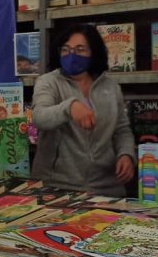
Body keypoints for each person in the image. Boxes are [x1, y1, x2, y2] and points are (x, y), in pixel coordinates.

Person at [31, 24, 136, 197]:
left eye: (80, 49)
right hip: (57, 188)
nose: (71, 55)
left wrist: (126, 154)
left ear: (93, 52)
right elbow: (39, 117)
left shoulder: (111, 87)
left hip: (107, 187)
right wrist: (69, 107)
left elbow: (122, 129)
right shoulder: (48, 82)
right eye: (66, 49)